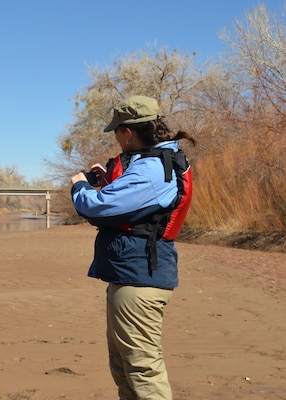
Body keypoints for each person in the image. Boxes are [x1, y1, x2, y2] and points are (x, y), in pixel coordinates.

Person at [71, 95, 196, 399]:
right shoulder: (156, 163)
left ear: (128, 132)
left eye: (117, 131)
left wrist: (80, 186)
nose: (116, 137)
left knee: (142, 369)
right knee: (124, 365)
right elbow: (133, 199)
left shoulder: (153, 169)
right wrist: (110, 178)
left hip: (139, 279)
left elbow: (98, 209)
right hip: (133, 274)